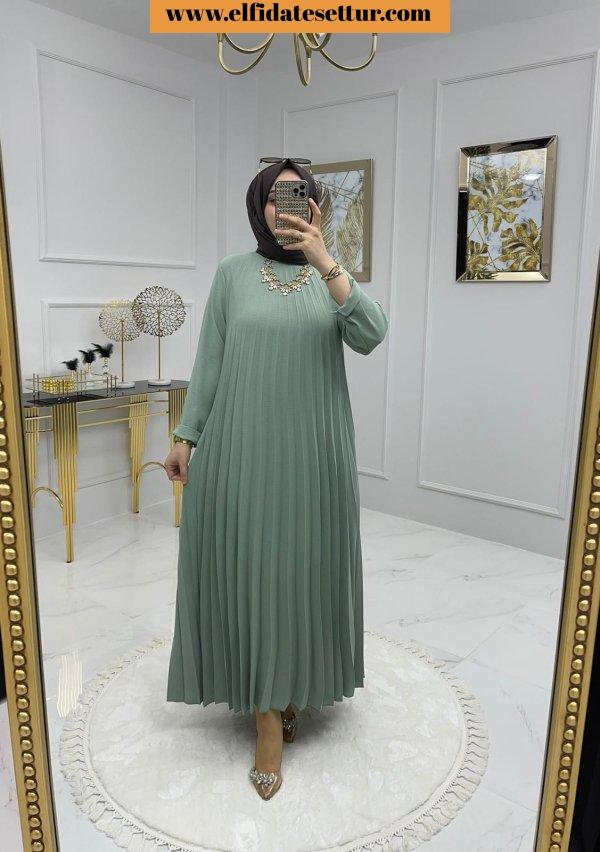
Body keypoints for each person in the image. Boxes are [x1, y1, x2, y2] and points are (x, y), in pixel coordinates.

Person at [164, 157, 389, 800]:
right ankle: (267, 715)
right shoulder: (232, 274)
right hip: (241, 447)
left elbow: (372, 334)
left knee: (300, 571)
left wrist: (325, 257)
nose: (284, 206)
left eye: (298, 195)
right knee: (253, 569)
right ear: (258, 205)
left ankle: (291, 684)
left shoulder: (330, 273)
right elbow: (211, 358)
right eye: (274, 196)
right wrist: (186, 434)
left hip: (314, 453)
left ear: (314, 206)